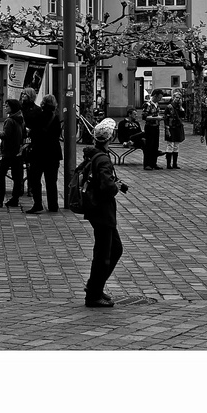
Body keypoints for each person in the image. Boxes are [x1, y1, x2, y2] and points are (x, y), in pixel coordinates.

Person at [83, 118, 129, 308]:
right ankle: (93, 293)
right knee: (104, 253)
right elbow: (106, 187)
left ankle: (96, 286)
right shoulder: (102, 159)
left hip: (99, 211)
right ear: (110, 138)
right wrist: (115, 187)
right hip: (102, 211)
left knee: (114, 249)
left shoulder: (95, 155)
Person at [26, 93, 63, 213]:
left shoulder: (38, 115)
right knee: (51, 181)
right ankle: (53, 205)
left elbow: (33, 133)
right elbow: (57, 135)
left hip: (39, 152)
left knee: (35, 179)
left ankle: (38, 204)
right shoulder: (56, 117)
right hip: (53, 153)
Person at [0, 98, 25, 209]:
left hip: (8, 152)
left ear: (12, 107)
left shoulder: (10, 121)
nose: (5, 107)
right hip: (17, 152)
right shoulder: (21, 119)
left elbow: (5, 135)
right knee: (17, 176)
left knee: (1, 175)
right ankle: (15, 198)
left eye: (7, 106)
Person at [142, 90, 163, 169]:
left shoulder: (157, 105)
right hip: (149, 127)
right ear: (155, 96)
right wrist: (156, 118)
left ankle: (153, 163)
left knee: (155, 145)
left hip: (156, 126)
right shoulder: (147, 104)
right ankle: (147, 164)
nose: (160, 99)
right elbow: (145, 117)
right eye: (159, 97)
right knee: (149, 145)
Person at [164, 90, 185, 169]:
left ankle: (175, 163)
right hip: (171, 126)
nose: (178, 99)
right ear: (173, 98)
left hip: (177, 126)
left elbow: (183, 115)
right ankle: (168, 164)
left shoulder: (179, 107)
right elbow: (166, 117)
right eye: (176, 97)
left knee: (176, 145)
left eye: (179, 98)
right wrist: (167, 127)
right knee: (170, 145)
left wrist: (181, 108)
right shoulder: (169, 107)